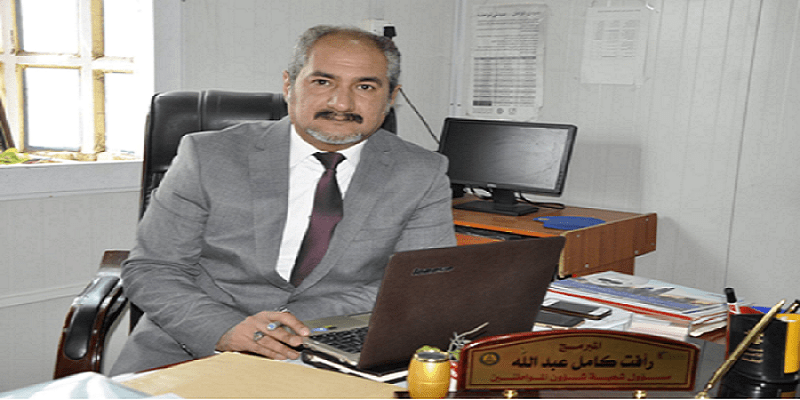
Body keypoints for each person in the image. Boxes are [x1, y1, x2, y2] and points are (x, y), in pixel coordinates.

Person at [109, 25, 456, 375]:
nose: (342, 104)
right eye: (323, 82)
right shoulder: (208, 155)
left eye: (365, 87)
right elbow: (154, 268)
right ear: (289, 85)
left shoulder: (421, 172)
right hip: (196, 345)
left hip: (329, 350)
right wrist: (224, 329)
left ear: (391, 97)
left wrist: (290, 322)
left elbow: (419, 284)